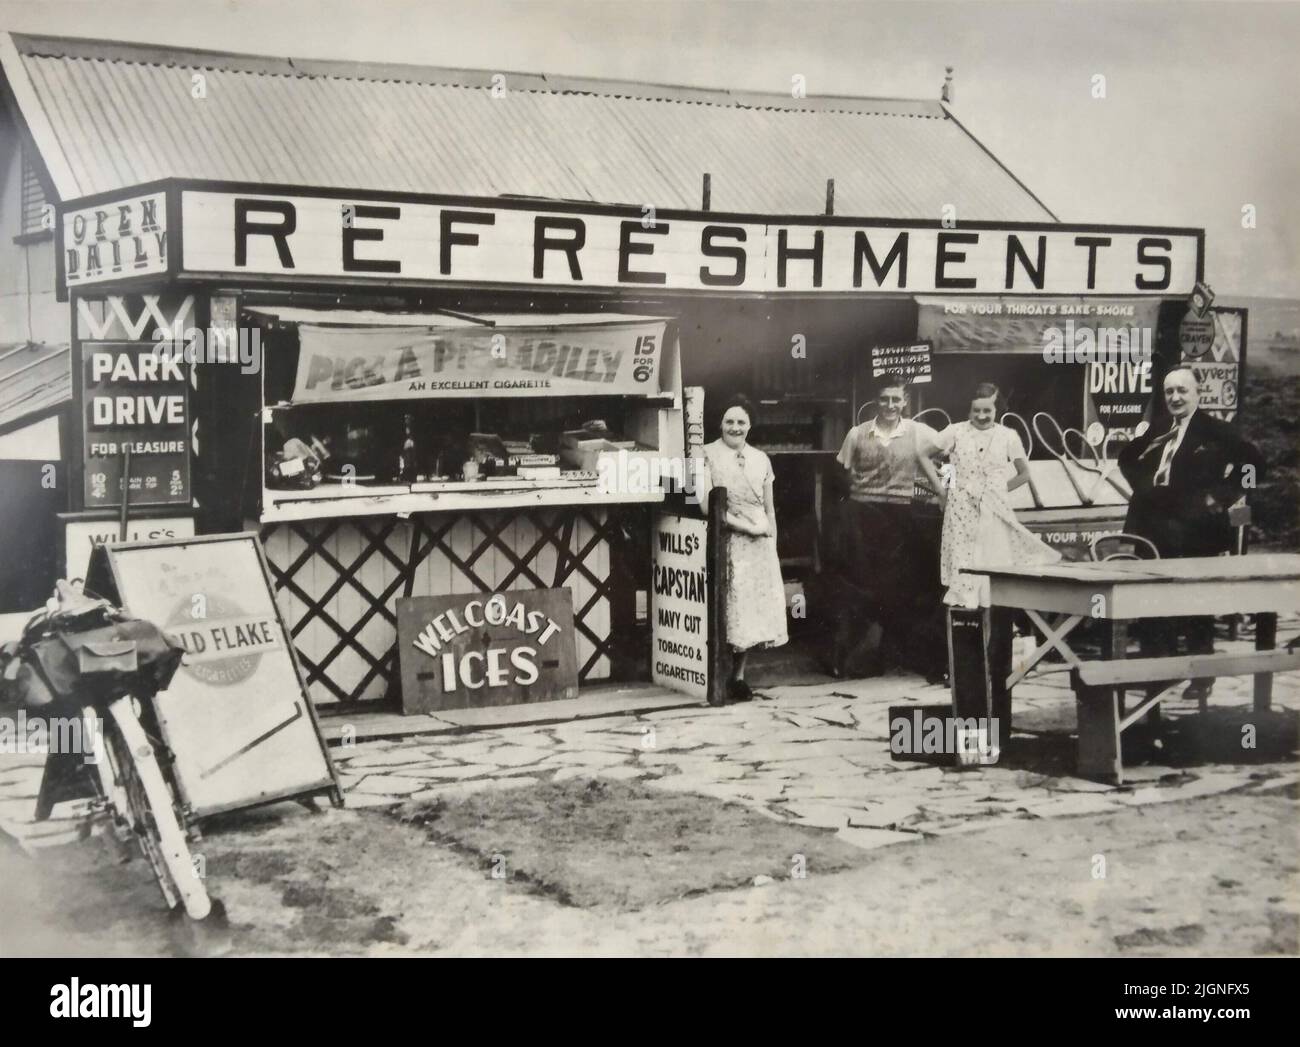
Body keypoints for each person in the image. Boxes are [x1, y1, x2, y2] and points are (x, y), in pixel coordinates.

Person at [1117, 365, 1264, 701]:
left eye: (1182, 390)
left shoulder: (1216, 431)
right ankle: (1159, 673)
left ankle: (1201, 674)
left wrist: (1223, 496)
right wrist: (1144, 487)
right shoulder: (1157, 429)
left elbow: (1254, 464)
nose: (1175, 397)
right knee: (1152, 601)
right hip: (1151, 528)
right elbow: (1126, 458)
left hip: (1194, 530)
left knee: (1196, 603)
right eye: (1169, 391)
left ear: (1198, 393)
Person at [831, 373, 944, 678]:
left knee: (898, 589)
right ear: (875, 401)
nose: (890, 405)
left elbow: (952, 449)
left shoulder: (918, 432)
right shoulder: (856, 433)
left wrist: (947, 488)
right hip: (862, 518)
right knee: (859, 588)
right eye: (884, 399)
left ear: (905, 402)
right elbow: (842, 472)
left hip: (899, 519)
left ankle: (890, 654)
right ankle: (851, 659)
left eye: (896, 399)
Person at [924, 382, 1061, 609]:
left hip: (994, 507)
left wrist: (996, 490)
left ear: (997, 410)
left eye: (987, 410)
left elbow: (1024, 474)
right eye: (975, 410)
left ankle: (995, 614)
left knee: (993, 559)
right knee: (963, 561)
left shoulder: (1008, 436)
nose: (981, 416)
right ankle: (965, 618)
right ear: (968, 410)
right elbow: (931, 457)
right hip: (960, 508)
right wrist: (945, 489)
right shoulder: (955, 431)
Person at [703, 395, 788, 701]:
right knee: (730, 606)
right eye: (729, 421)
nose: (735, 428)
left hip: (759, 545)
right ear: (720, 424)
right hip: (728, 538)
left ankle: (739, 676)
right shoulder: (706, 454)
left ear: (750, 425)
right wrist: (744, 526)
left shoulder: (760, 459)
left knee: (752, 610)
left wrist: (771, 539)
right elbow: (705, 506)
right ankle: (718, 673)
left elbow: (770, 506)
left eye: (741, 422)